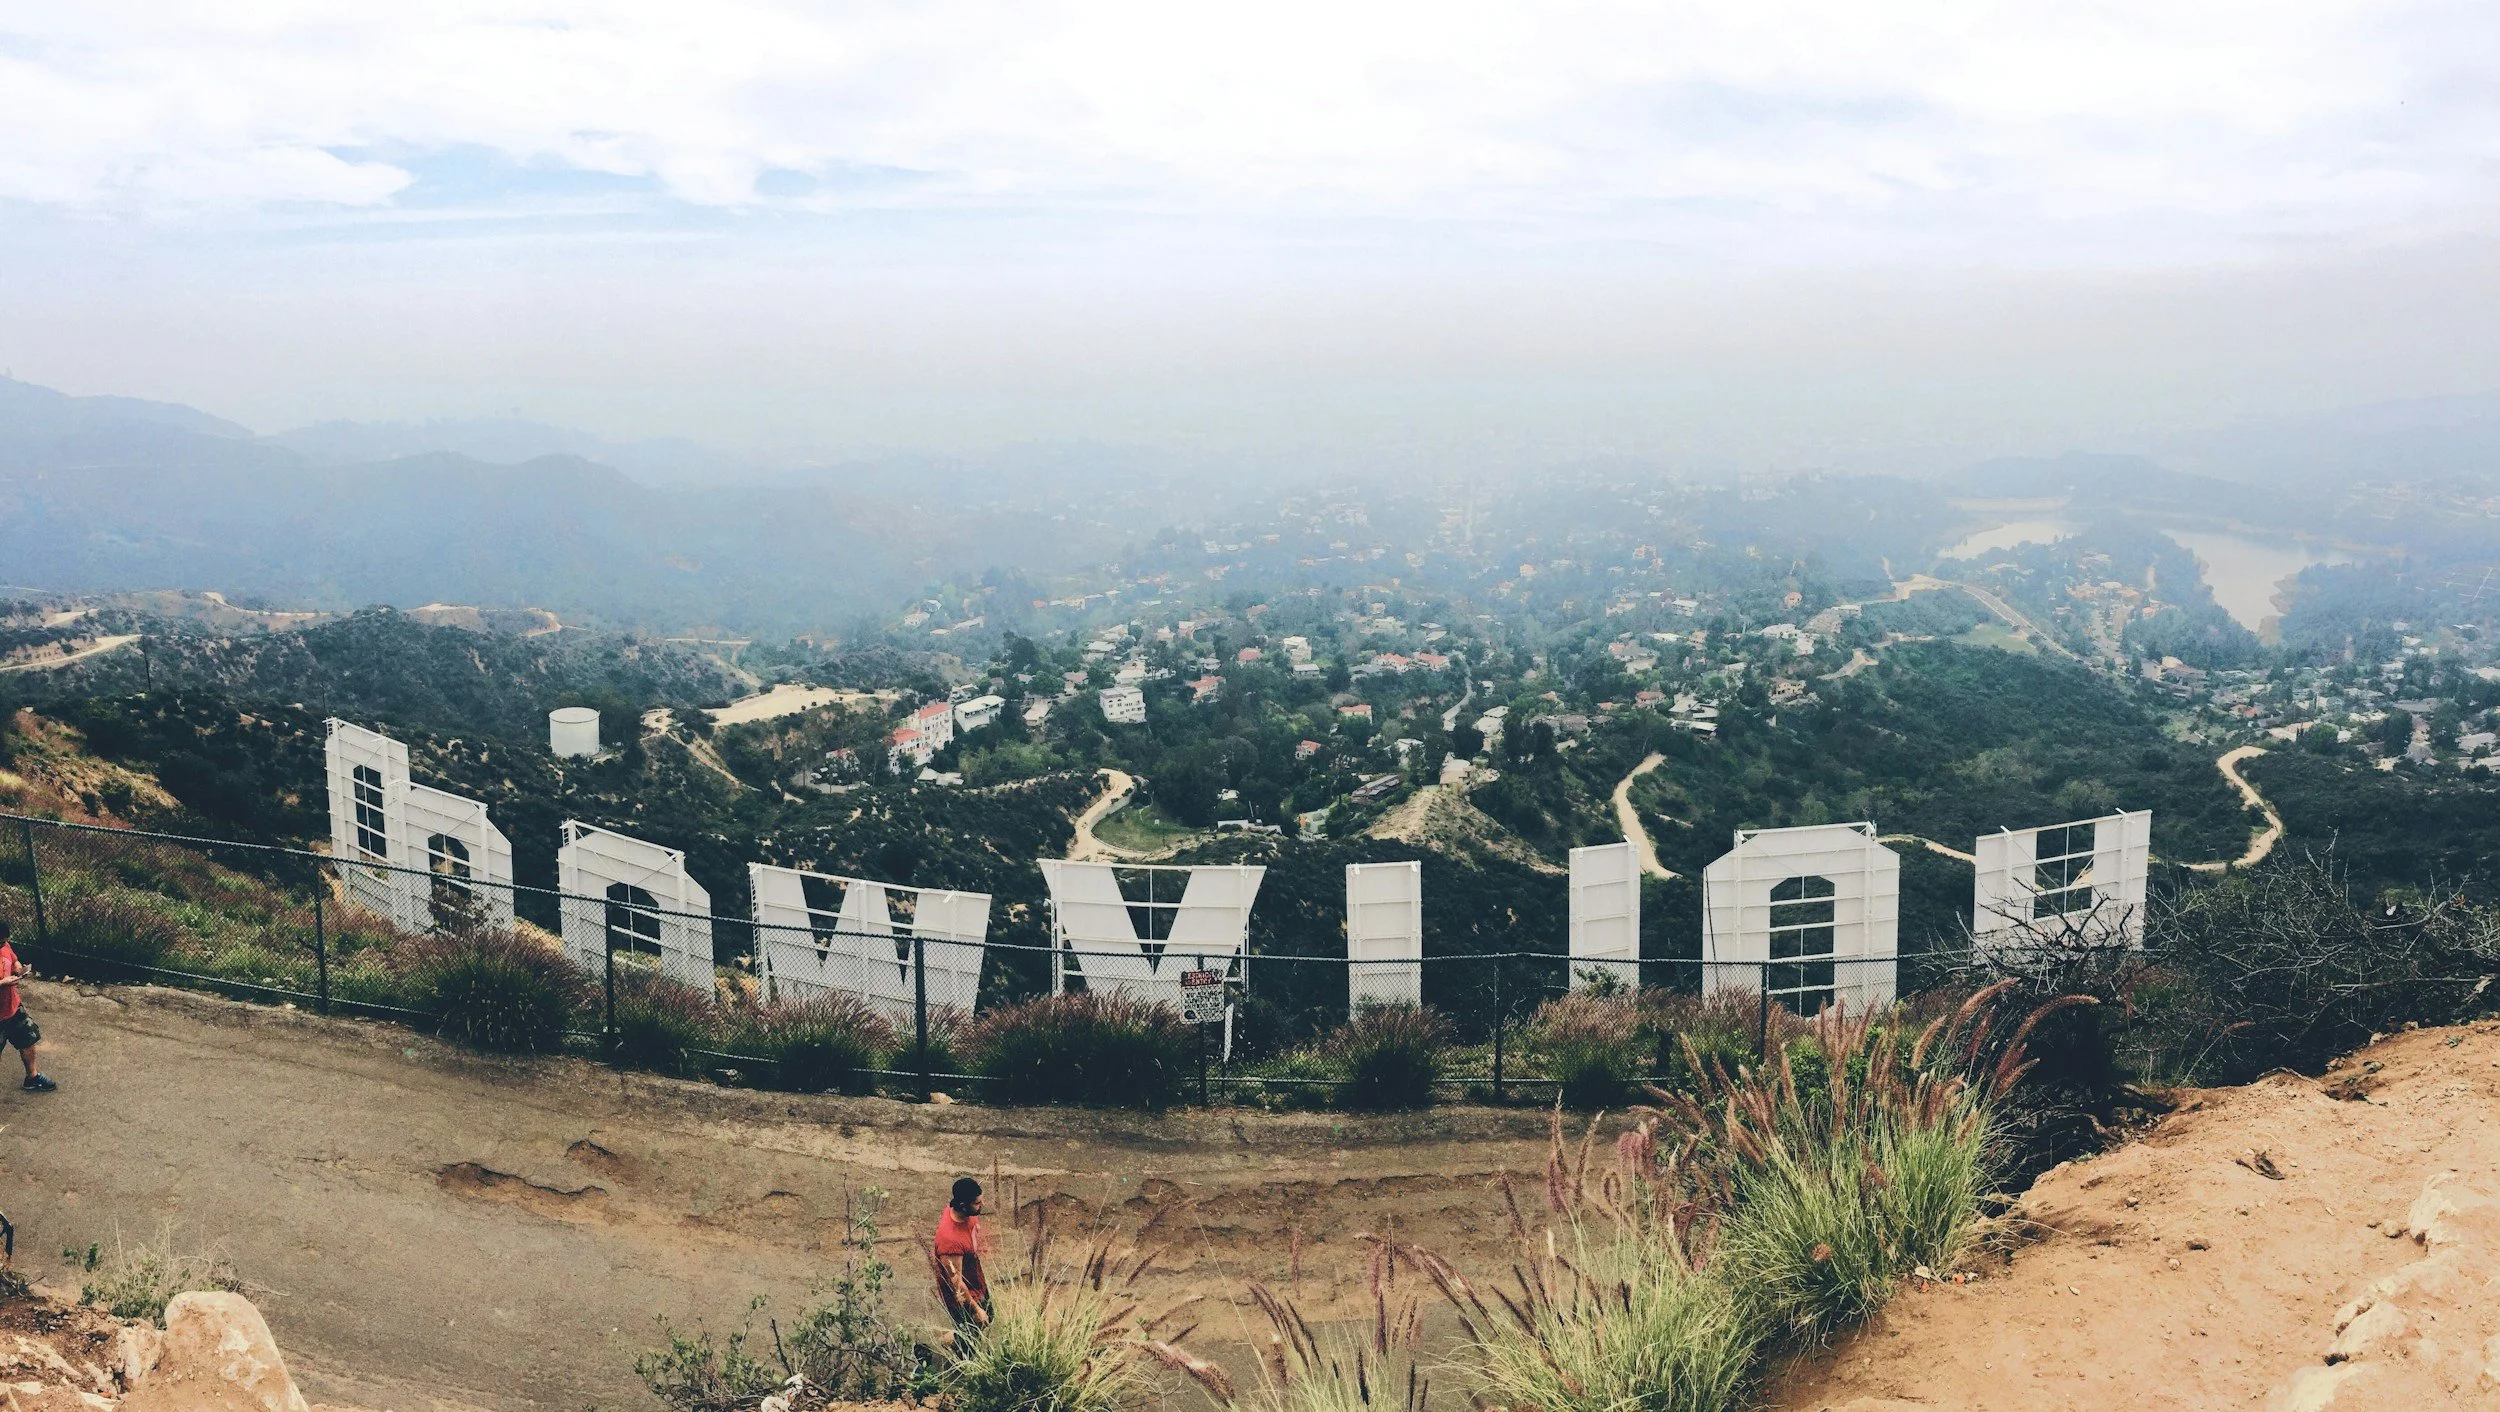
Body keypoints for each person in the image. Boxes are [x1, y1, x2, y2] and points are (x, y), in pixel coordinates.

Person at [0, 922, 54, 1092]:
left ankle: (32, 1077)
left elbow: (12, 958)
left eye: (4, 941)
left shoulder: (4, 945)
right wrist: (2, 983)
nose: (3, 944)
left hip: (12, 1008)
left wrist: (17, 966)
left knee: (28, 1040)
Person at [932, 1176, 990, 1328]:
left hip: (975, 1279)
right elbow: (956, 1281)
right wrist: (976, 1309)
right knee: (969, 1337)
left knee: (989, 1315)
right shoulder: (950, 1241)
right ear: (963, 1206)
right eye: (977, 1203)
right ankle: (940, 1344)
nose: (982, 1205)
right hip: (962, 1293)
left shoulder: (965, 1213)